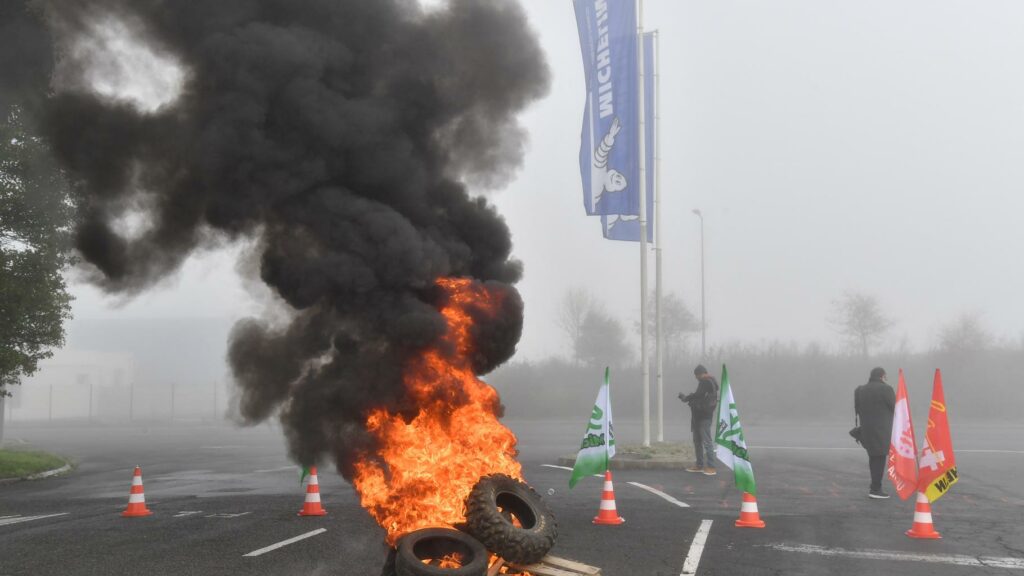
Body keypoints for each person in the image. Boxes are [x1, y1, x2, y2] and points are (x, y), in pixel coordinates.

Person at [854, 367, 895, 499]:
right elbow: (896, 408)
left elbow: (858, 409)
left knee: (873, 458)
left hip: (866, 430)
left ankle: (875, 486)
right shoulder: (886, 389)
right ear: (882, 376)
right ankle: (875, 489)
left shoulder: (860, 390)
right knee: (879, 459)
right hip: (881, 430)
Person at [678, 364, 718, 476]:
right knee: (698, 441)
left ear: (701, 373)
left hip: (703, 416)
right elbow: (699, 396)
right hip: (700, 416)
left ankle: (711, 466)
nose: (696, 377)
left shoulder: (706, 381)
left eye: (697, 375)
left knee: (706, 442)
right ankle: (699, 465)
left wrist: (686, 398)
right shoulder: (711, 382)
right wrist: (690, 399)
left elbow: (698, 394)